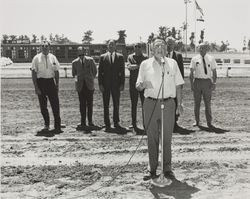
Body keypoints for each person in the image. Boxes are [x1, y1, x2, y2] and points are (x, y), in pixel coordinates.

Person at [136, 38, 184, 180]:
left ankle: (167, 168)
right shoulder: (145, 64)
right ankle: (152, 168)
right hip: (150, 104)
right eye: (157, 45)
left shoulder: (173, 63)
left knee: (166, 138)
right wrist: (143, 85)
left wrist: (179, 104)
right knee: (152, 138)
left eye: (162, 45)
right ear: (151, 49)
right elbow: (137, 85)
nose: (160, 48)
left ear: (166, 49)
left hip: (169, 104)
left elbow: (179, 85)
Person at [31, 41, 62, 134]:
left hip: (51, 82)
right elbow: (33, 73)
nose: (45, 48)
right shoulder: (36, 58)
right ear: (41, 48)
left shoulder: (53, 57)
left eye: (47, 46)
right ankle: (46, 125)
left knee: (55, 105)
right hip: (41, 83)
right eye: (43, 46)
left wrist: (57, 84)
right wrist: (36, 87)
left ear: (49, 47)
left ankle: (57, 126)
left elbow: (56, 72)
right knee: (43, 106)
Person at [98, 40, 125, 132]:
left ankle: (116, 122)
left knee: (116, 104)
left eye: (113, 45)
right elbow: (100, 72)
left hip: (116, 85)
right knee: (106, 104)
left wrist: (122, 84)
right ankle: (107, 123)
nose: (111, 46)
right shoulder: (102, 57)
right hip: (105, 85)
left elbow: (122, 72)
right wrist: (100, 84)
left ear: (115, 46)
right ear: (107, 46)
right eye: (110, 45)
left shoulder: (120, 57)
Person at [189, 41, 217, 130]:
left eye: (203, 47)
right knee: (197, 103)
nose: (201, 49)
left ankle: (209, 122)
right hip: (197, 82)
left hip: (207, 83)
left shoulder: (211, 59)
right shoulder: (194, 59)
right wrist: (191, 84)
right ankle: (197, 121)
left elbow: (214, 72)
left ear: (206, 49)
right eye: (199, 47)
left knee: (207, 104)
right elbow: (191, 72)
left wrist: (214, 83)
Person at [72, 46, 97, 130]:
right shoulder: (74, 63)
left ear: (84, 52)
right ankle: (83, 122)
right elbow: (74, 74)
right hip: (80, 87)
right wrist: (77, 84)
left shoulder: (90, 60)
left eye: (82, 53)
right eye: (79, 53)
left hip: (89, 86)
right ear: (77, 53)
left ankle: (90, 121)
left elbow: (95, 71)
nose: (81, 55)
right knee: (82, 105)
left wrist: (90, 79)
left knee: (90, 104)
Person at [127, 42, 148, 134]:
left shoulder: (146, 57)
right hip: (132, 84)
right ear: (133, 48)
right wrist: (139, 66)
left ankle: (145, 123)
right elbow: (129, 67)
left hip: (143, 84)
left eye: (139, 47)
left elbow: (147, 69)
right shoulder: (130, 57)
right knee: (134, 104)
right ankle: (133, 124)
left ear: (142, 48)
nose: (137, 48)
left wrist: (135, 66)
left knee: (145, 105)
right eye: (135, 46)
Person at [166, 37, 184, 133]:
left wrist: (180, 85)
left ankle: (174, 122)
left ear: (174, 45)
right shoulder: (161, 55)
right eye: (168, 44)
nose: (169, 45)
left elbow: (181, 71)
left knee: (175, 103)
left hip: (175, 84)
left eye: (171, 44)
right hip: (164, 84)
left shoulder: (178, 56)